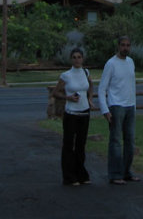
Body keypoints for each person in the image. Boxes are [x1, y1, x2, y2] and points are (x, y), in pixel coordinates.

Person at [98, 35, 139, 185]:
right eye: (123, 45)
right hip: (116, 106)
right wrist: (105, 110)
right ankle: (115, 174)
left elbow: (131, 86)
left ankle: (126, 171)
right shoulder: (111, 63)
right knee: (116, 141)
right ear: (118, 46)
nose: (125, 48)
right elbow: (102, 88)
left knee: (130, 140)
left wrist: (134, 105)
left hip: (130, 106)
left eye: (128, 45)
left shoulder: (131, 62)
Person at [51, 48, 94, 186]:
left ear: (83, 59)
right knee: (69, 144)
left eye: (79, 57)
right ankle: (69, 176)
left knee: (81, 144)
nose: (77, 60)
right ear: (71, 59)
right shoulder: (66, 75)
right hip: (71, 114)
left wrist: (90, 98)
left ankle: (81, 174)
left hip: (84, 112)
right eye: (74, 57)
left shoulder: (86, 72)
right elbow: (55, 93)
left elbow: (90, 85)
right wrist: (67, 97)